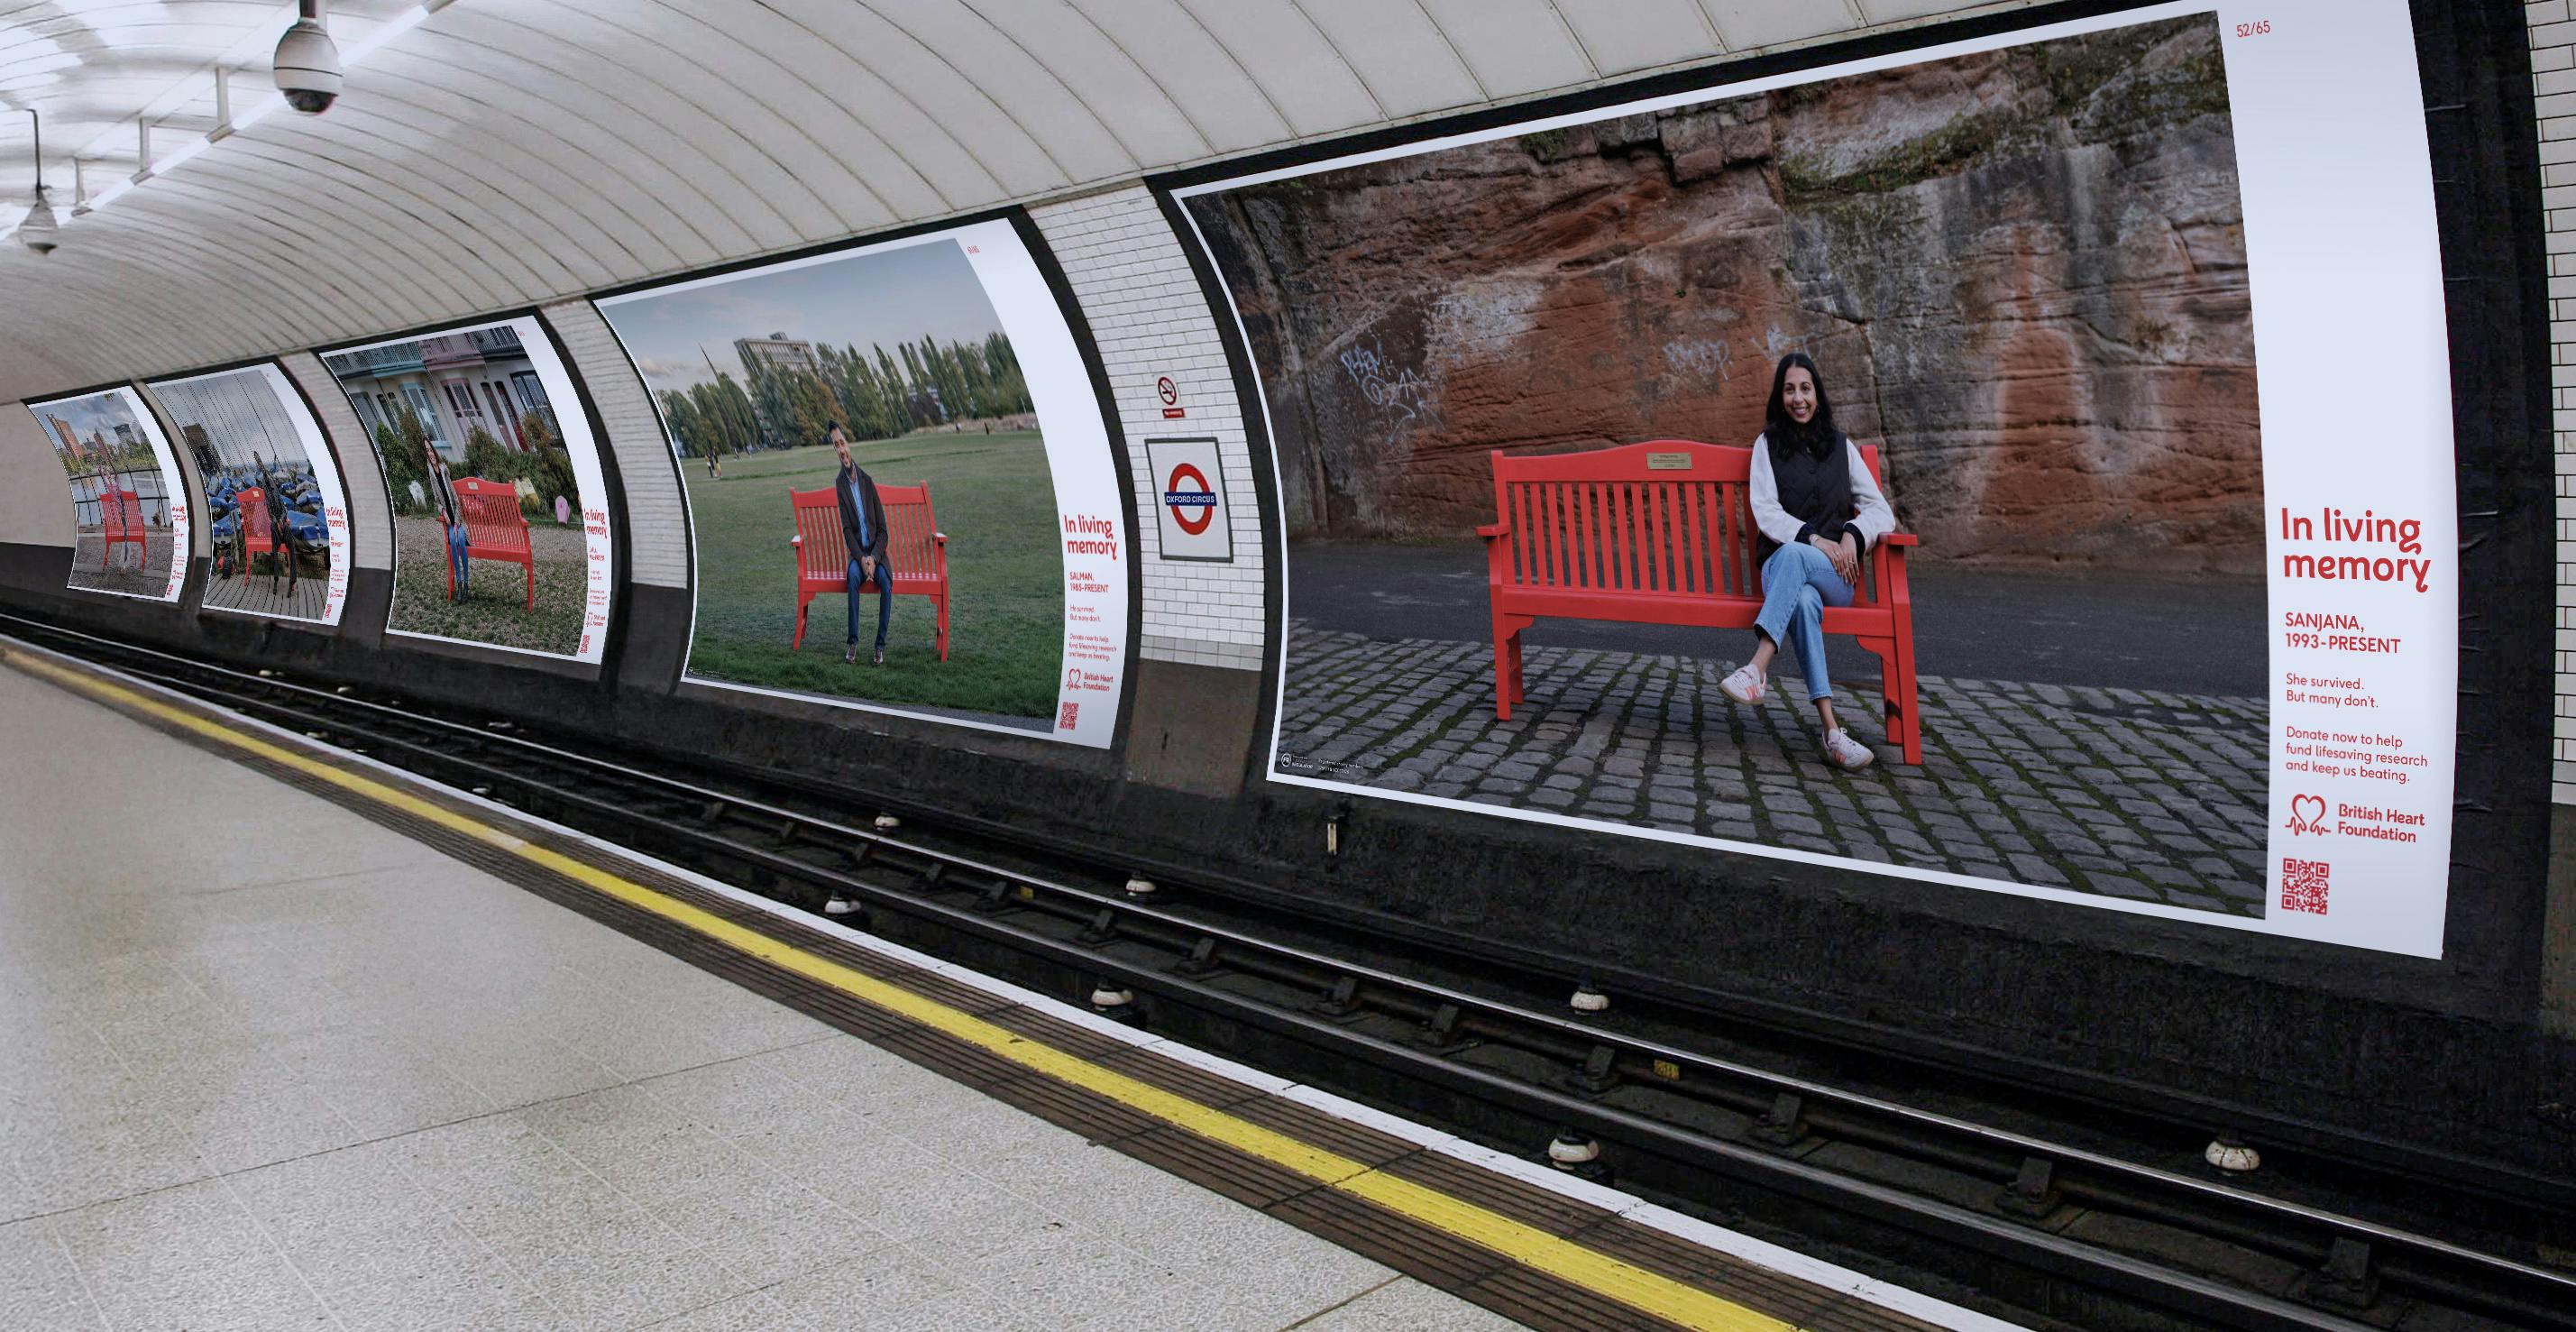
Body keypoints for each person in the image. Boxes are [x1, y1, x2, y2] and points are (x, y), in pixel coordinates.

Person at [1718, 352, 1897, 772]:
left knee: (1798, 557)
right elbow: (1766, 511)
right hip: (1781, 570)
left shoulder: (1840, 446)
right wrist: (1813, 538)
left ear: (1817, 394)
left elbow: (1880, 510)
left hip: (1835, 575)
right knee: (1800, 597)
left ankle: (1758, 667)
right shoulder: (1767, 446)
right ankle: (1832, 732)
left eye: (1805, 389)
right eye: (1789, 390)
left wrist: (1852, 535)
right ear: (1779, 398)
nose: (1798, 399)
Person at [831, 423, 894, 666]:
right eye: (836, 446)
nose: (841, 450)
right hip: (858, 555)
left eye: (843, 443)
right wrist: (861, 559)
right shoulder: (840, 485)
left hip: (876, 554)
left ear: (849, 444)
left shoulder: (867, 481)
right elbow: (847, 531)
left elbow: (883, 531)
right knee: (853, 579)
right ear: (835, 451)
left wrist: (874, 558)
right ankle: (853, 643)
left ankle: (879, 646)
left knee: (886, 583)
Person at [425, 440, 470, 602]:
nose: (430, 453)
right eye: (427, 451)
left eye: (431, 449)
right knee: (452, 541)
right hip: (449, 523)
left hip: (458, 522)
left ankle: (466, 583)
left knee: (461, 541)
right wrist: (443, 512)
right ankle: (459, 583)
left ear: (434, 451)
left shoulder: (444, 470)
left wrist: (457, 523)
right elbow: (437, 501)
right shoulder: (431, 475)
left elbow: (457, 501)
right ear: (427, 455)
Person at [251, 451, 298, 599]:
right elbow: (270, 513)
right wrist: (276, 522)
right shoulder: (266, 497)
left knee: (291, 543)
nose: (270, 484)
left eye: (271, 483)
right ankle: (276, 579)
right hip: (275, 532)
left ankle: (292, 581)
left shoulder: (277, 494)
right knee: (273, 531)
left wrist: (282, 521)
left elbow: (283, 510)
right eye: (268, 483)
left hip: (282, 526)